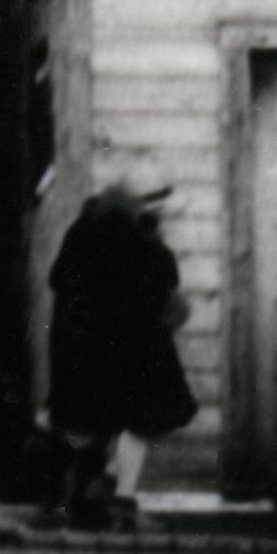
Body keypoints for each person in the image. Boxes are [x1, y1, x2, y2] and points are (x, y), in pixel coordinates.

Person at [43, 154, 193, 526]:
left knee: (90, 426)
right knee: (145, 414)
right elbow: (155, 301)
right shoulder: (141, 247)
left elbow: (58, 278)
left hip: (78, 348)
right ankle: (117, 494)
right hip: (117, 351)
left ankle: (91, 489)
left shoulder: (83, 231)